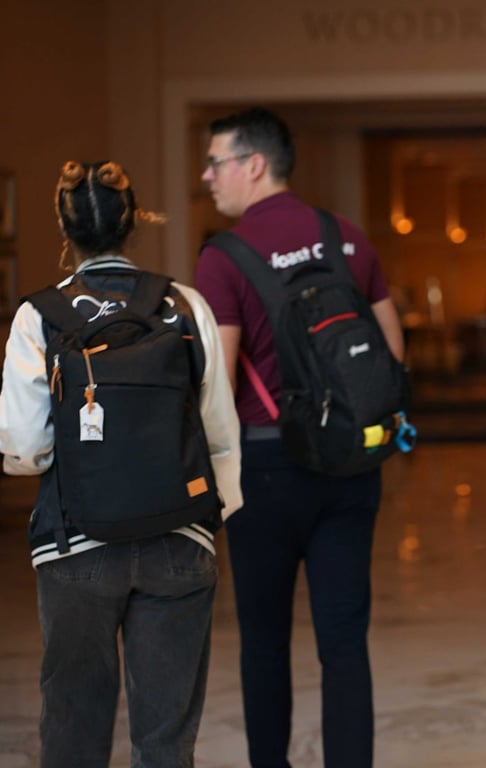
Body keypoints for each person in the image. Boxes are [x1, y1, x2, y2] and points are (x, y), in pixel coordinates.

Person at [0, 161, 242, 767]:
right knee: (165, 739)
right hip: (179, 542)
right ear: (134, 222)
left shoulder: (40, 316)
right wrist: (205, 521)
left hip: (74, 543)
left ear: (64, 227)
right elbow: (220, 435)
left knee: (74, 728)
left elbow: (25, 453)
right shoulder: (184, 305)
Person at [194, 107, 405, 768]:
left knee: (263, 639)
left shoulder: (222, 258)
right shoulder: (345, 237)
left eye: (216, 162)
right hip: (350, 465)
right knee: (344, 639)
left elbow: (218, 390)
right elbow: (394, 358)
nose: (207, 176)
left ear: (253, 164)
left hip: (265, 467)